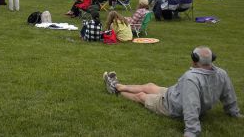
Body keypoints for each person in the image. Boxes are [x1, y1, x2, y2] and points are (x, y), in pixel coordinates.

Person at [103, 46, 242, 137]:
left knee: (141, 96)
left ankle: (114, 89)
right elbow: (228, 95)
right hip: (174, 93)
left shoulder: (191, 79)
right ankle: (119, 85)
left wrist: (192, 132)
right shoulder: (221, 73)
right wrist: (234, 112)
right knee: (150, 85)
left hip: (171, 106)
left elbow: (191, 106)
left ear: (194, 61)